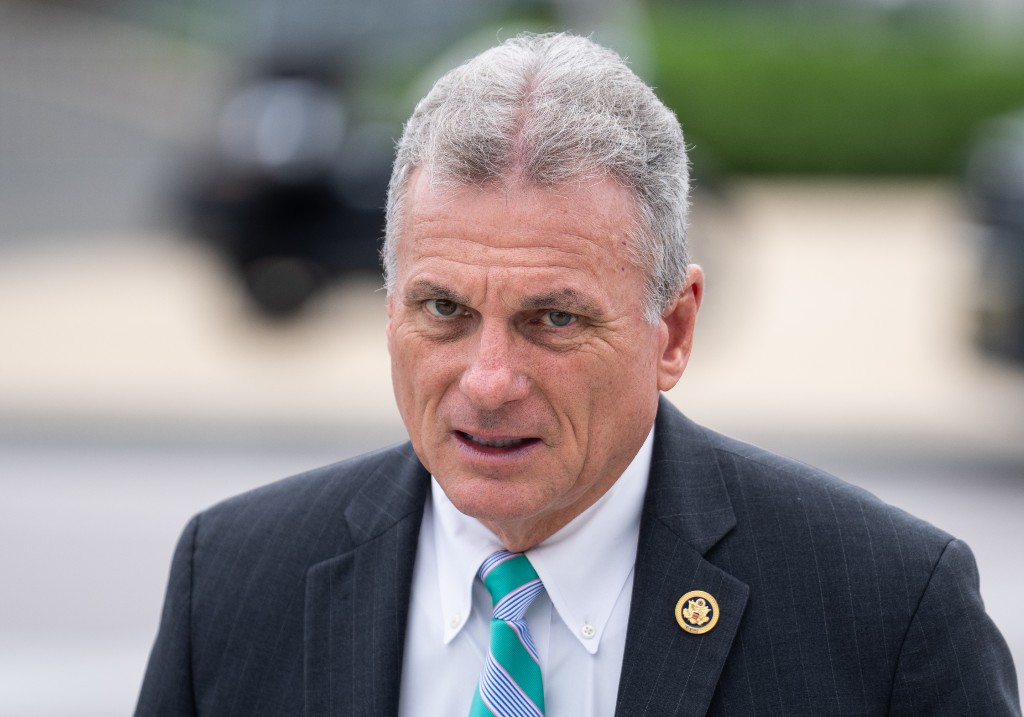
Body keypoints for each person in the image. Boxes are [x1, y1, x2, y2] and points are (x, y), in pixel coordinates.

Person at [135, 33, 1020, 716]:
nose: (487, 381)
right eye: (443, 310)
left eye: (553, 319)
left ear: (672, 330)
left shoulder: (889, 609)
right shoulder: (233, 580)